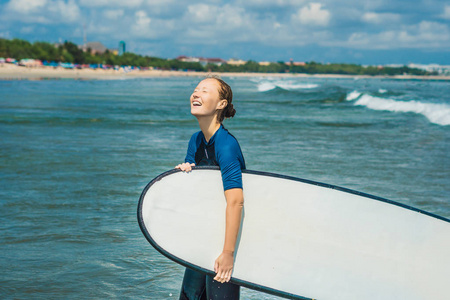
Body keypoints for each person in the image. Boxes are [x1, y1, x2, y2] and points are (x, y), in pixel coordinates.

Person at [175, 76, 245, 300]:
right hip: (203, 236)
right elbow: (195, 196)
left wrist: (228, 254)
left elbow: (236, 201)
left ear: (221, 104)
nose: (196, 94)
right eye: (195, 89)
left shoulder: (226, 144)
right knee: (189, 297)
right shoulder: (195, 141)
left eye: (205, 91)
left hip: (227, 242)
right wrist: (184, 175)